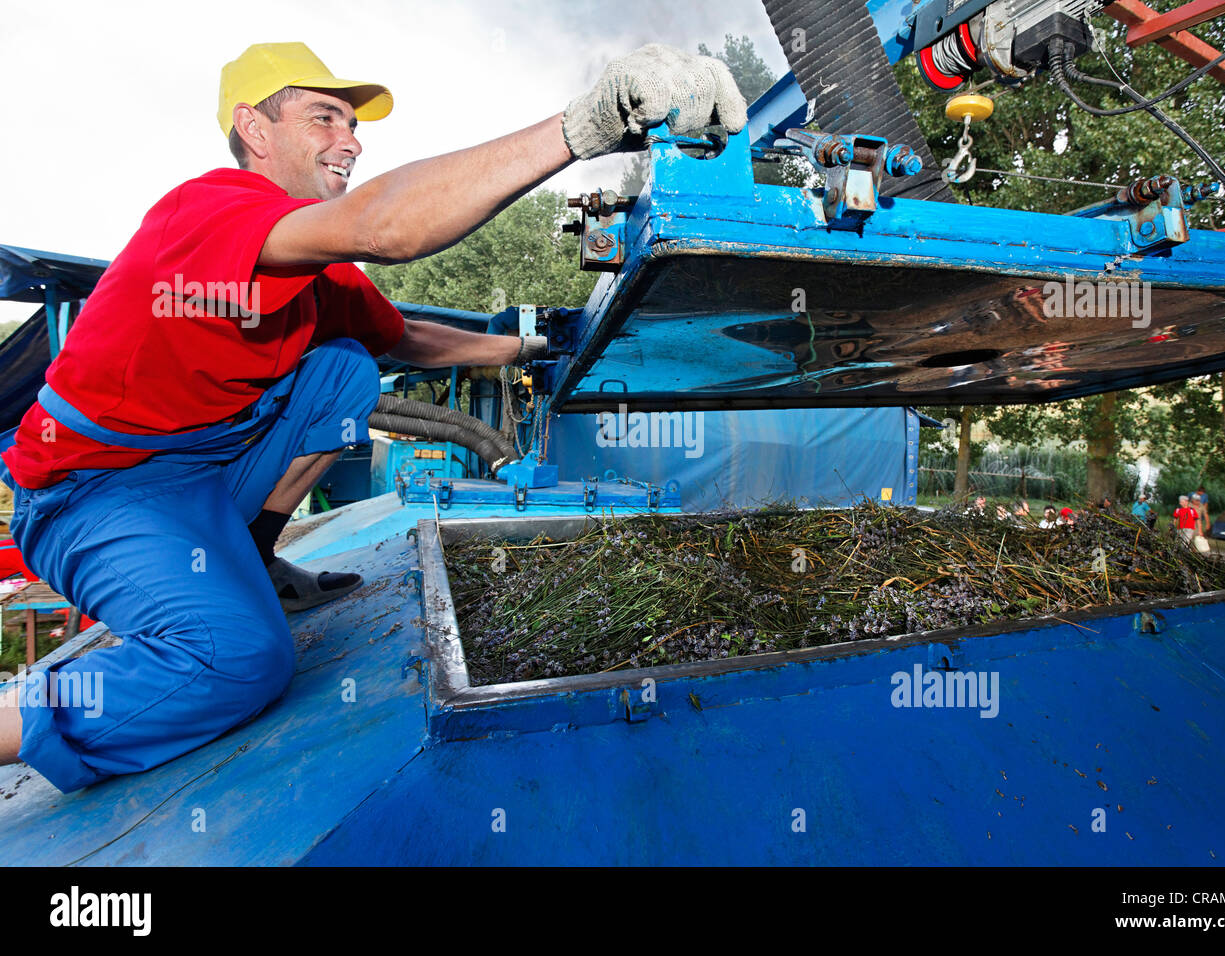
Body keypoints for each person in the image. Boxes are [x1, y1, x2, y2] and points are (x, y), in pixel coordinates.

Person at [0, 42, 747, 794]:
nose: (350, 140)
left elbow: (411, 338)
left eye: (354, 125)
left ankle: (253, 555)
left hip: (198, 478)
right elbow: (386, 225)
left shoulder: (321, 271)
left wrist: (530, 344)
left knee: (345, 368)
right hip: (92, 493)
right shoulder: (206, 211)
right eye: (324, 117)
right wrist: (579, 127)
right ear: (253, 130)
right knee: (241, 660)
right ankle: (13, 725)